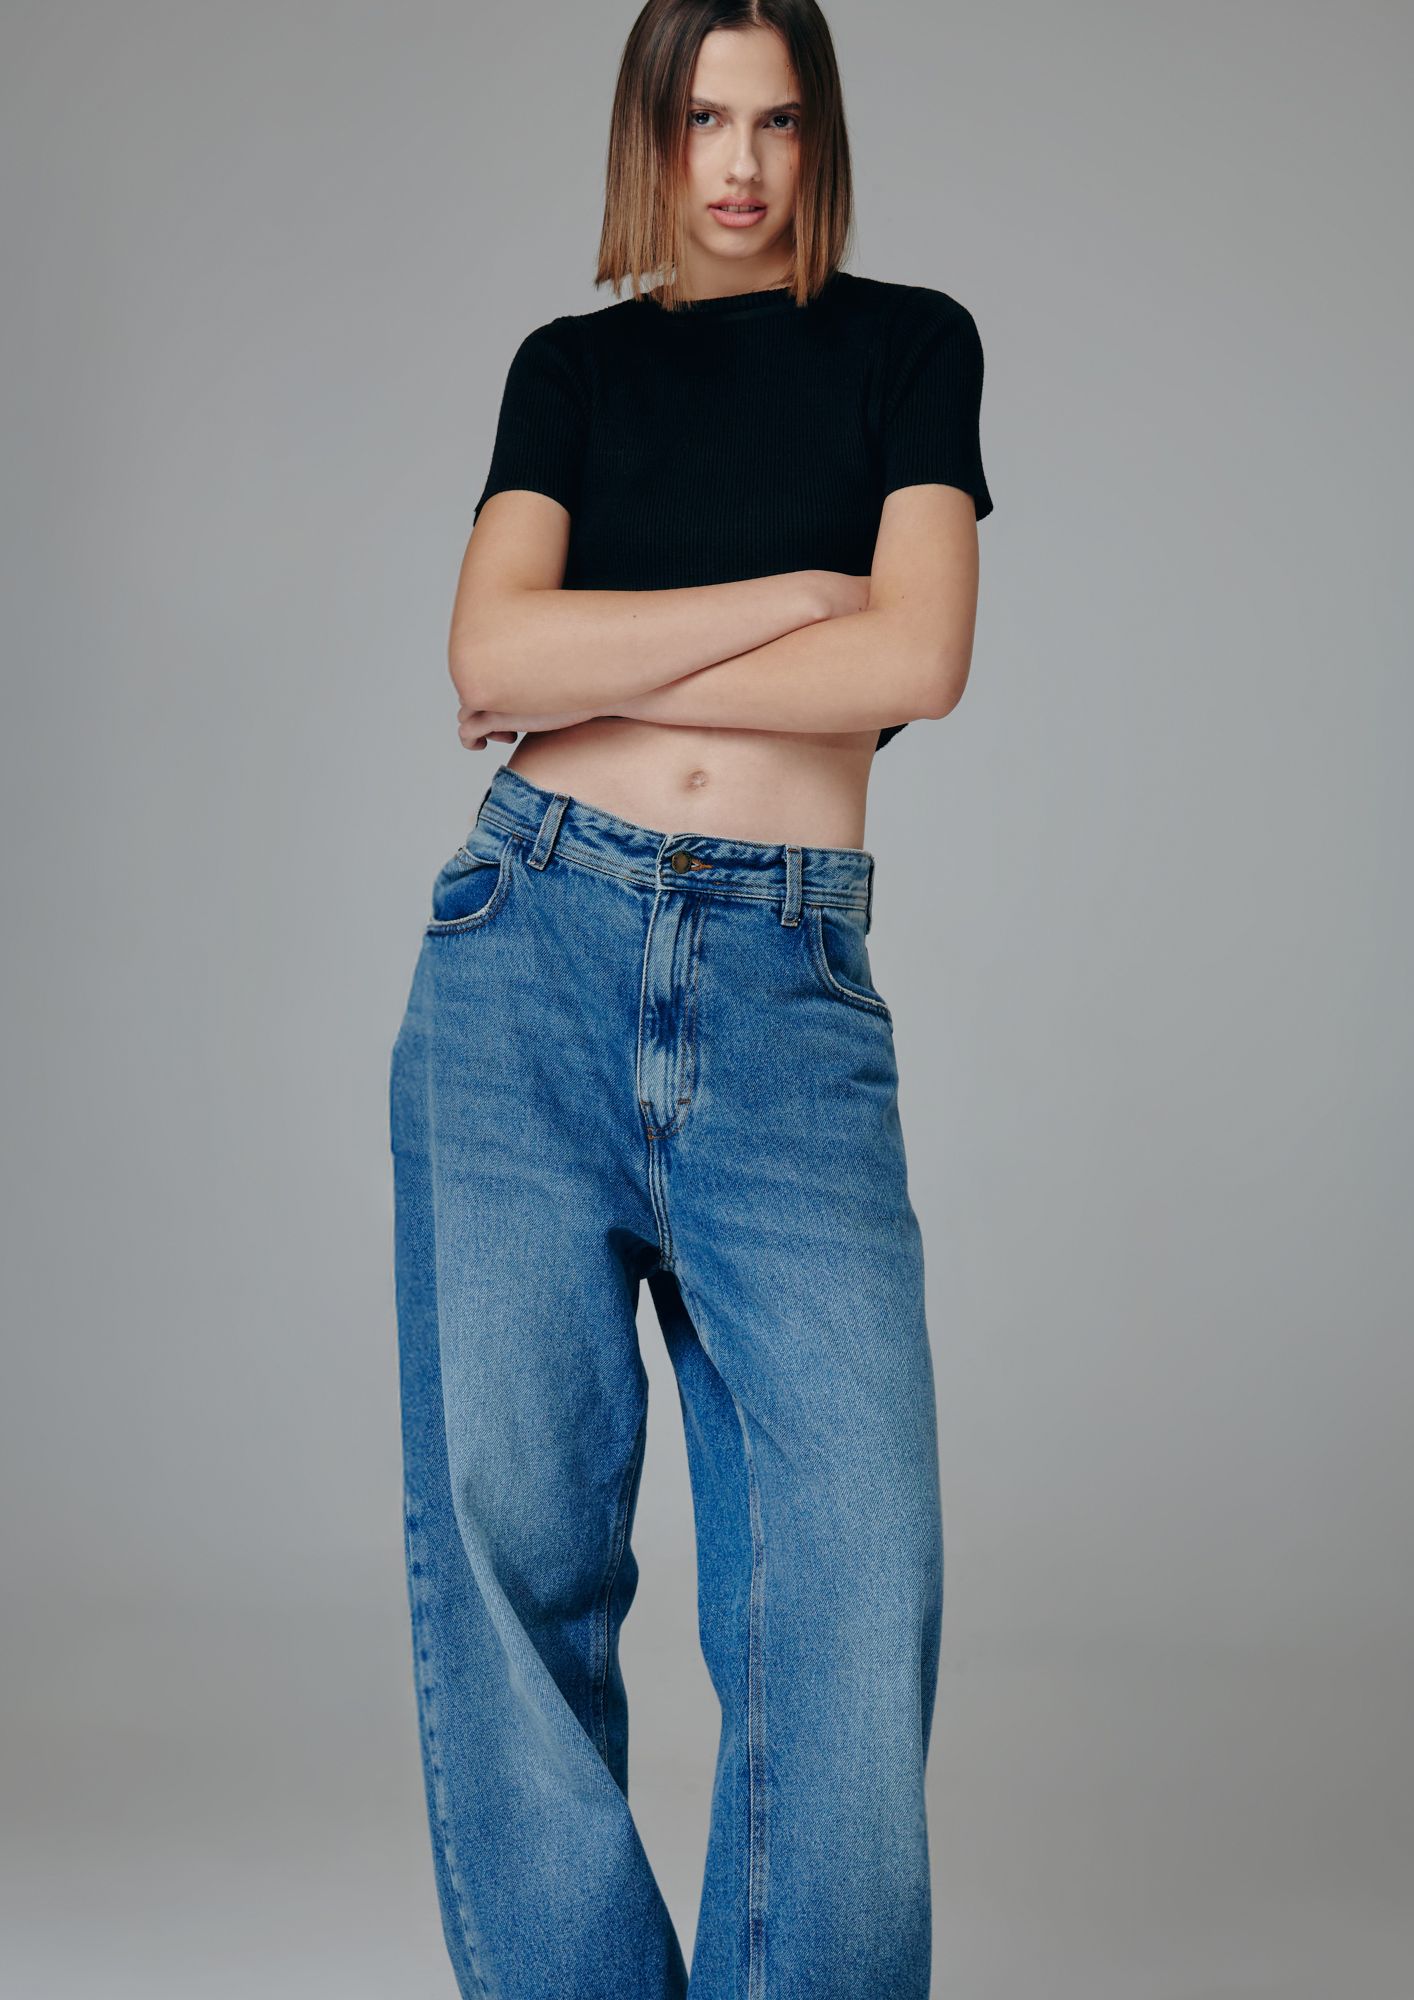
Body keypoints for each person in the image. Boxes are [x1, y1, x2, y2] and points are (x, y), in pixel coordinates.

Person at [388, 4, 993, 1996]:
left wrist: (603, 654)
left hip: (784, 983)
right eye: (701, 119)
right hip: (526, 952)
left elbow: (914, 664)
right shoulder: (567, 373)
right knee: (513, 1554)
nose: (737, 165)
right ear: (647, 137)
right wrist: (792, 596)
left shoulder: (909, 349)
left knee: (851, 1561)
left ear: (821, 140)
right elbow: (485, 652)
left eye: (776, 122)